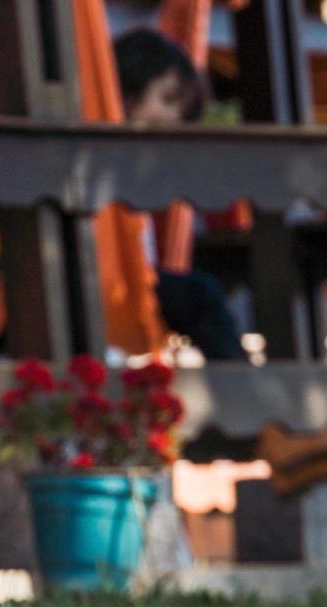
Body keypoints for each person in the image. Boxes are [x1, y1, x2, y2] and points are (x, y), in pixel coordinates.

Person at [114, 28, 248, 362]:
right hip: (111, 285)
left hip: (129, 280)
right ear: (128, 98)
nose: (173, 117)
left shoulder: (138, 163)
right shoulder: (107, 155)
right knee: (202, 294)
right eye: (168, 100)